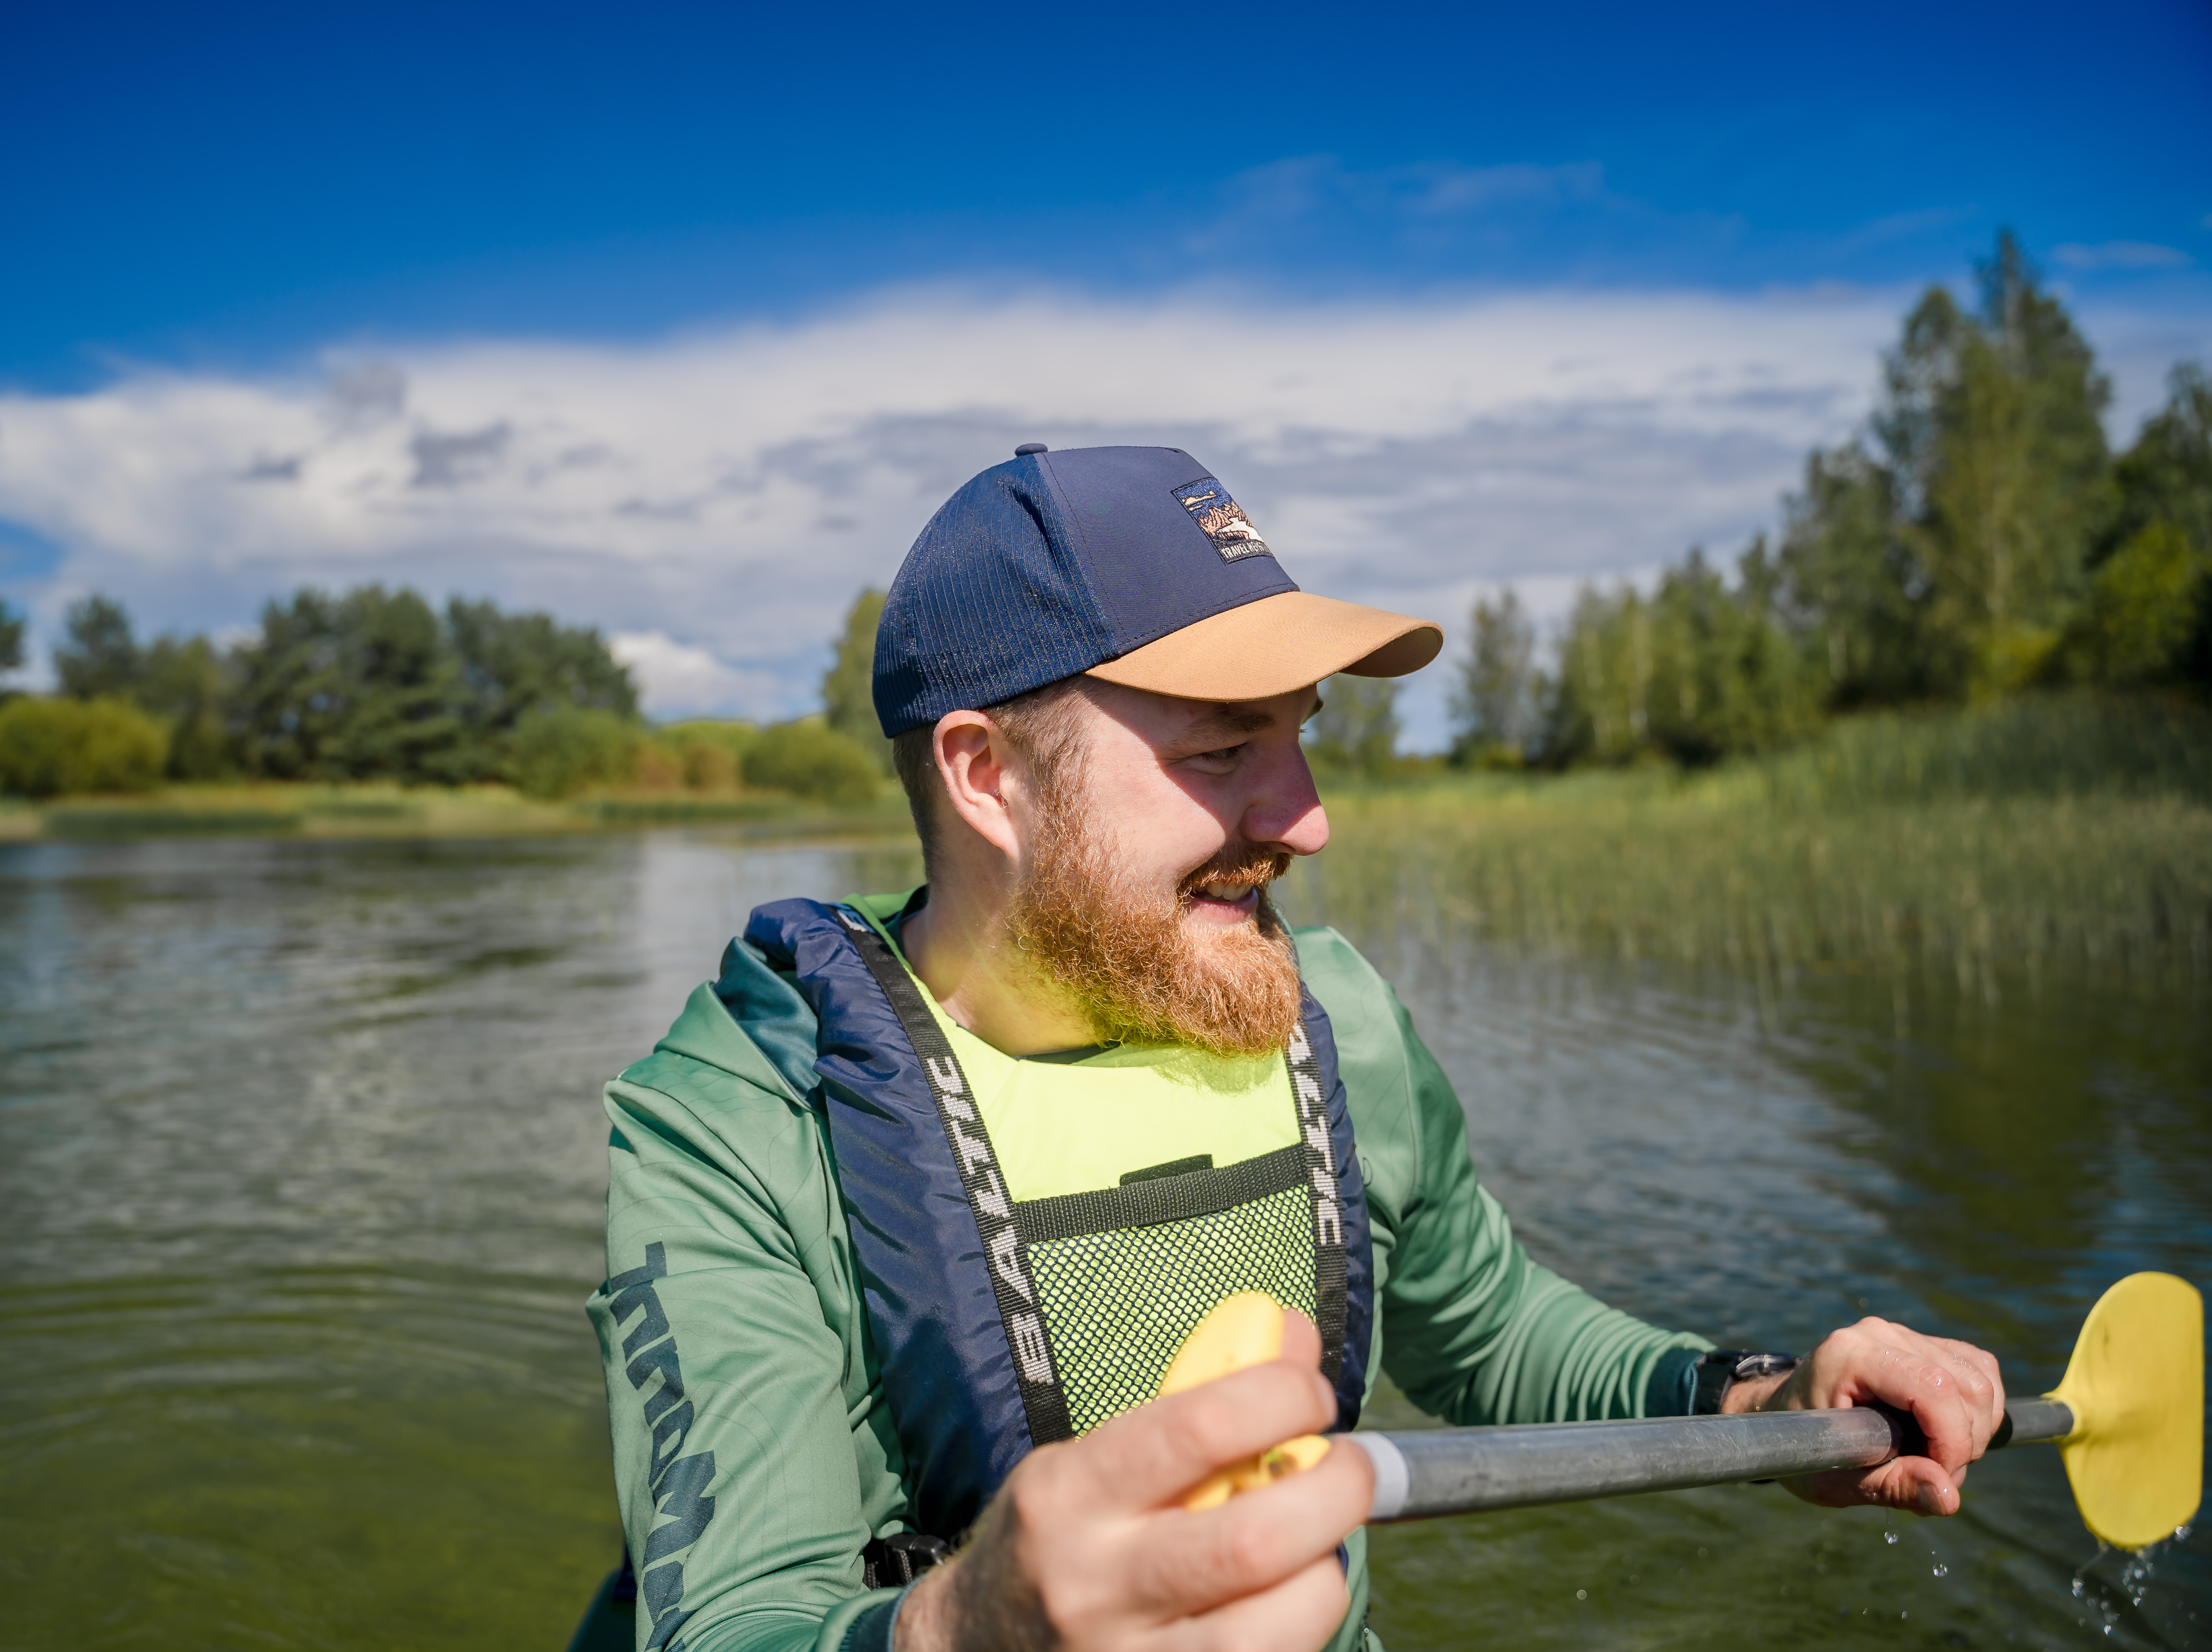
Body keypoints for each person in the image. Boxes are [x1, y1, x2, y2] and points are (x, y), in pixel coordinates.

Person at [585, 445, 2005, 1652]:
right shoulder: (740, 1119)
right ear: (985, 776)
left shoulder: (1339, 1020)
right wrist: (970, 1627)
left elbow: (1490, 1326)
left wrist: (1766, 1396)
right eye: (1222, 752)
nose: (1309, 818)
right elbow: (733, 1616)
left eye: (1302, 738)